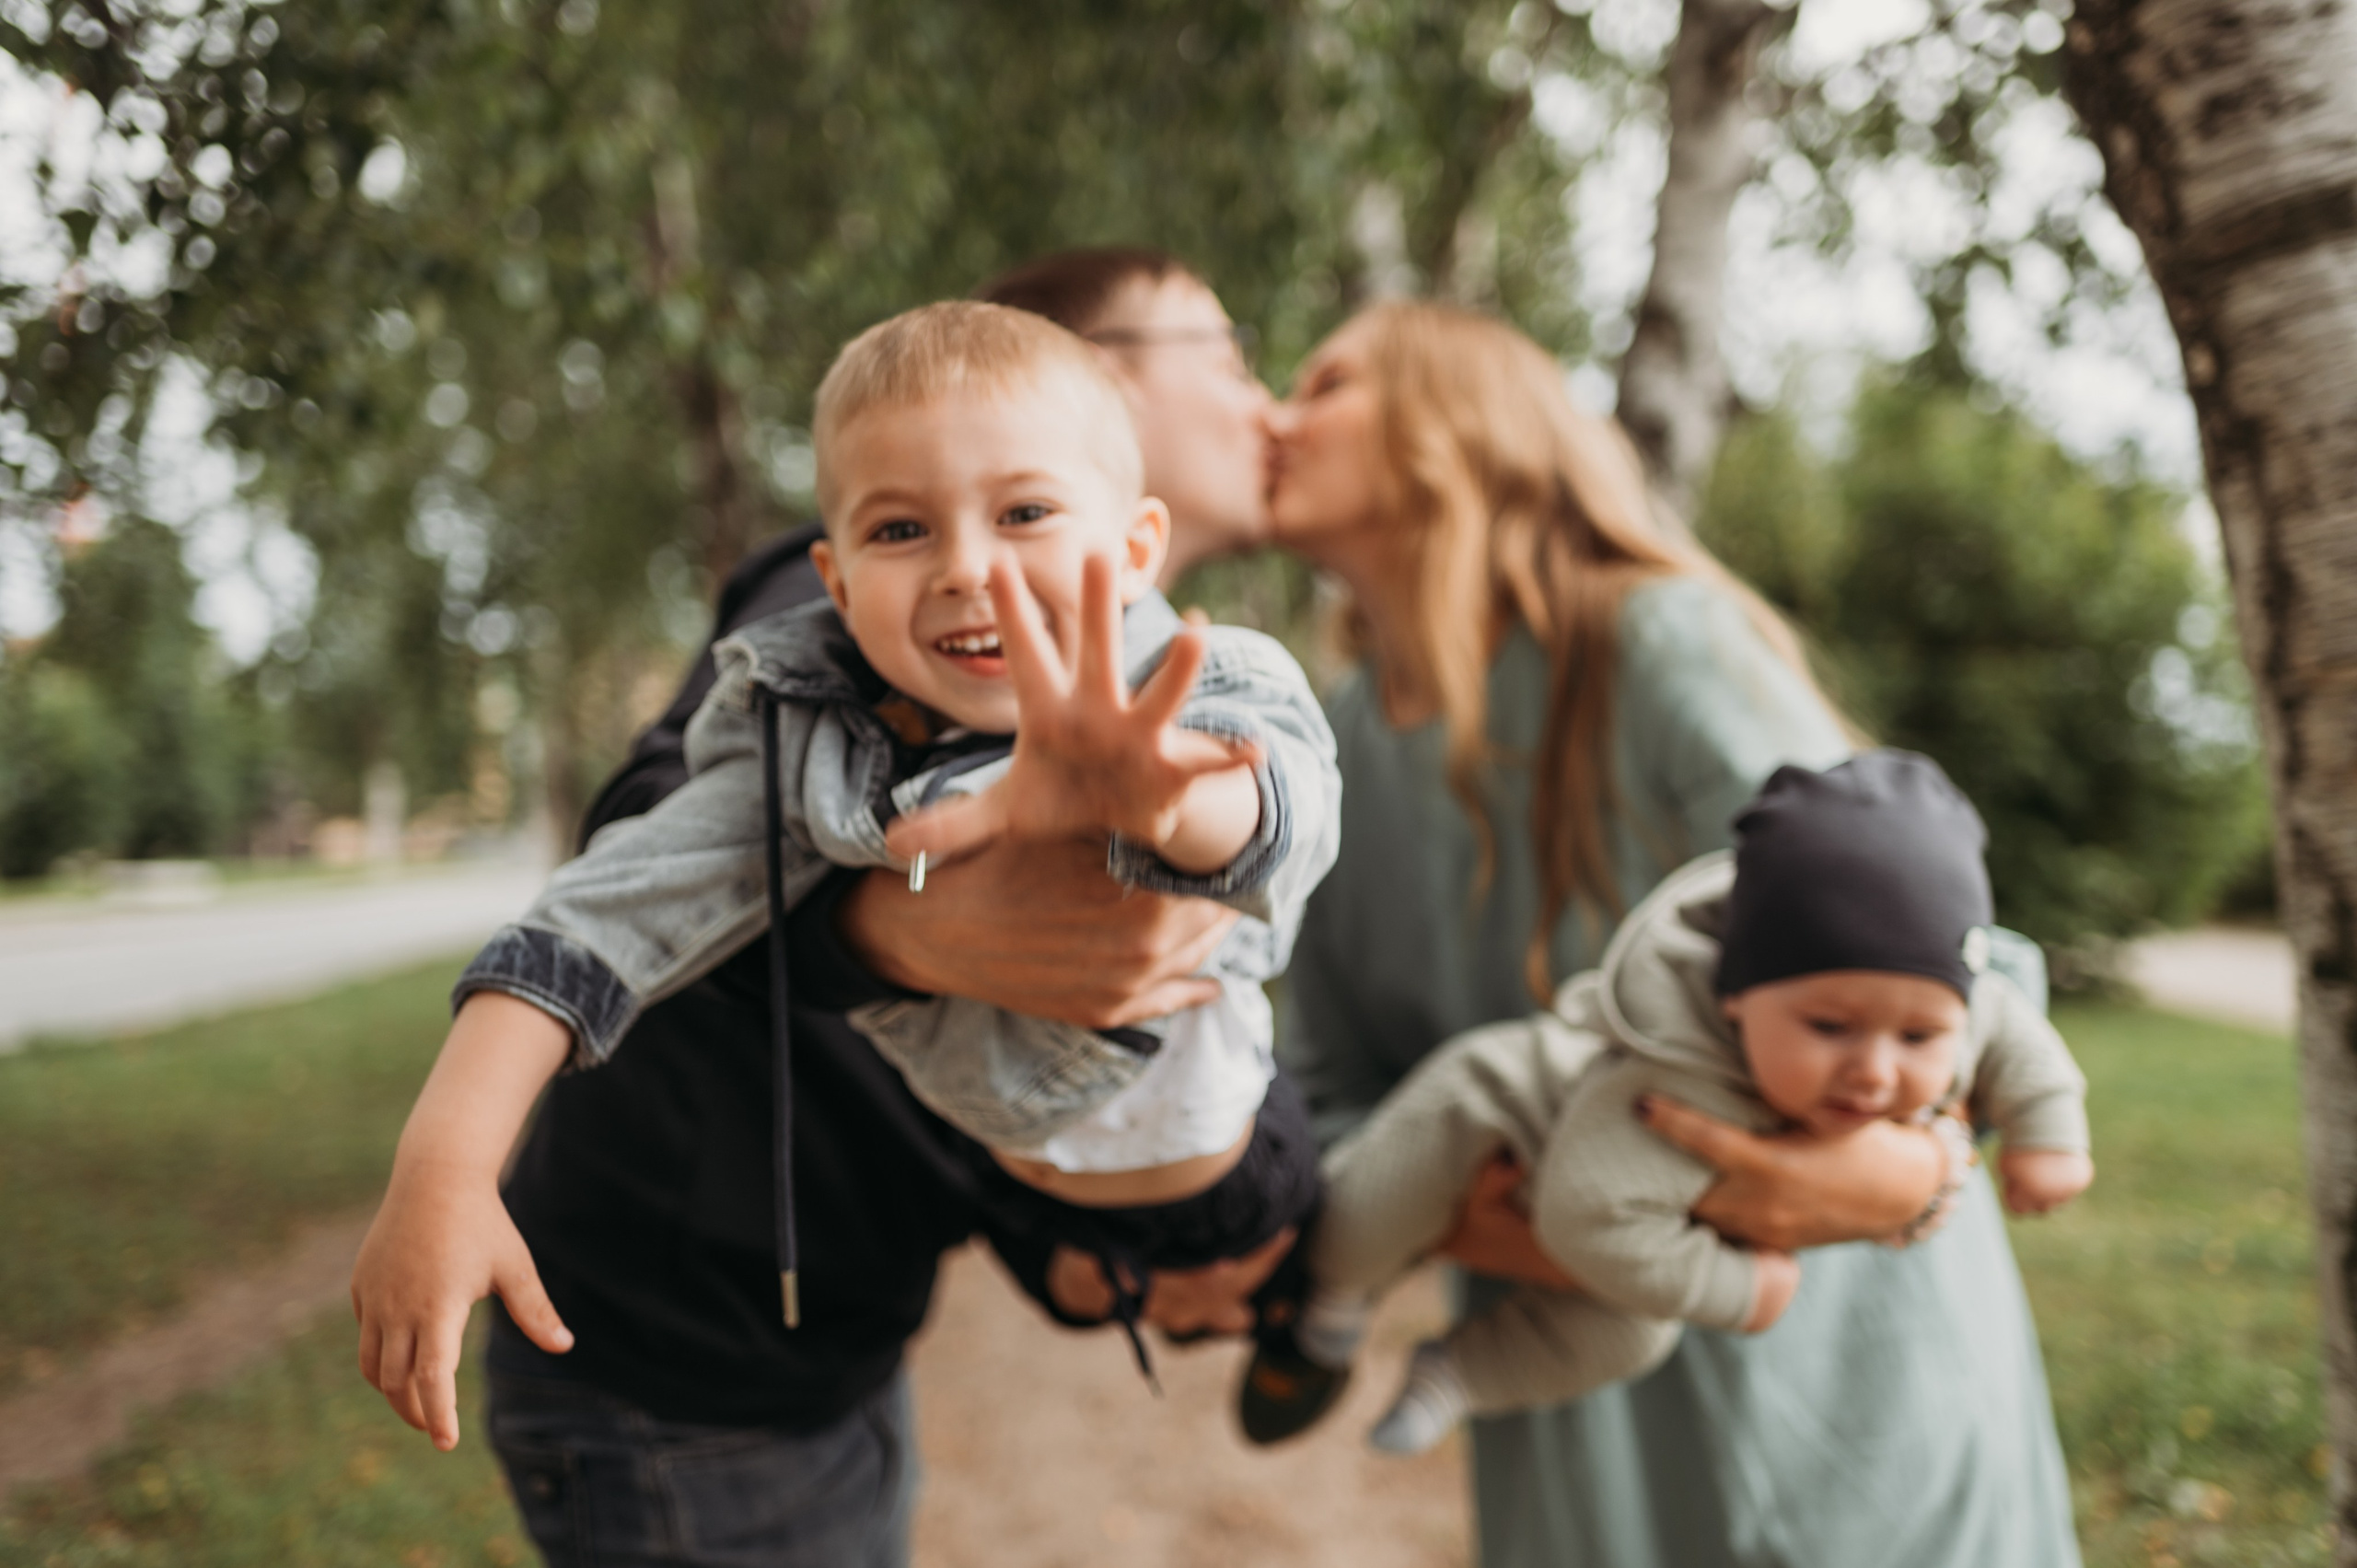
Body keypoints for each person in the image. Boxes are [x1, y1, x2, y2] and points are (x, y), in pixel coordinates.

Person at [347, 249, 1303, 1568]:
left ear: (1133, 543)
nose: (966, 566)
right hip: (689, 1364)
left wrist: (1162, 803)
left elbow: (1280, 805)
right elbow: (603, 904)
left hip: (885, 1315)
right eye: (902, 530)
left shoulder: (1199, 680)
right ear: (838, 580)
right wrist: (445, 1160)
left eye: (1023, 510)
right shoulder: (811, 722)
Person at [1264, 298, 2084, 1565]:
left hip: (1840, 1366)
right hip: (1579, 1393)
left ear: (1457, 423)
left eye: (1326, 383)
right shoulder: (1327, 749)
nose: (1276, 416)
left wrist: (1907, 1169)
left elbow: (1928, 953)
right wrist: (1485, 1205)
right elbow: (1335, 1094)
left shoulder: (1654, 638)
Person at [1258, 750, 2094, 1455]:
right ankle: (1328, 1303)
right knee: (1378, 1201)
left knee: (1634, 1331)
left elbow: (2011, 1032)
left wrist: (2048, 1131)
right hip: (1505, 1116)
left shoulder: (1953, 1005)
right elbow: (1584, 1212)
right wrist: (1743, 1290)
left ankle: (1457, 1372)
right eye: (1830, 1026)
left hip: (1632, 1222)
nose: (1875, 1071)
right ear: (1736, 997)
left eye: (1919, 1036)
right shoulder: (1668, 1083)